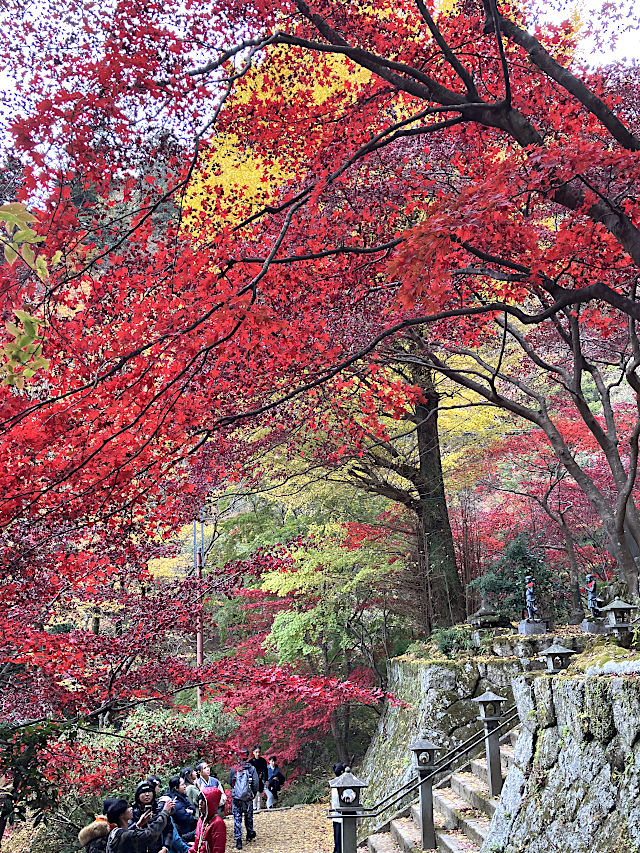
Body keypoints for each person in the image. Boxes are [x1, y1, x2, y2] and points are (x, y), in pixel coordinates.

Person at [105, 797, 173, 853]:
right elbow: (150, 834)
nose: (130, 809)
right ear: (121, 815)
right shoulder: (125, 836)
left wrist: (139, 824)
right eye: (127, 808)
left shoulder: (115, 832)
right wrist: (165, 812)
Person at [131, 780, 173, 853]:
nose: (147, 794)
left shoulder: (159, 809)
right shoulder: (132, 812)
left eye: (149, 791)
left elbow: (169, 830)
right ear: (138, 796)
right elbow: (127, 832)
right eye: (143, 792)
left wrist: (166, 847)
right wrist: (139, 823)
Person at [229, 748, 259, 850]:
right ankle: (249, 834)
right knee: (248, 816)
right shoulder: (251, 768)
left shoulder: (234, 769)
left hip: (236, 797)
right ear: (247, 756)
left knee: (237, 818)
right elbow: (255, 783)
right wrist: (253, 793)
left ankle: (238, 840)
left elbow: (230, 783)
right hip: (247, 798)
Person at [189, 788, 226, 853]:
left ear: (211, 803)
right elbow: (197, 842)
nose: (200, 803)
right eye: (199, 799)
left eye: (203, 800)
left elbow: (218, 849)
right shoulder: (201, 819)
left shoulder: (218, 823)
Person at [330, 763, 345, 853]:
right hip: (342, 816)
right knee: (342, 841)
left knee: (338, 840)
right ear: (342, 772)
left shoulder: (334, 783)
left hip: (336, 816)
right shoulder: (342, 783)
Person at [248, 747, 267, 813]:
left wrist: (266, 780)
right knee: (254, 794)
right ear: (253, 752)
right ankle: (254, 807)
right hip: (253, 780)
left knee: (260, 794)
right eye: (256, 752)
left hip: (260, 779)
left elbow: (265, 770)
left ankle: (259, 808)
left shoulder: (263, 761)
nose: (258, 754)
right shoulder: (251, 762)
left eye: (259, 752)